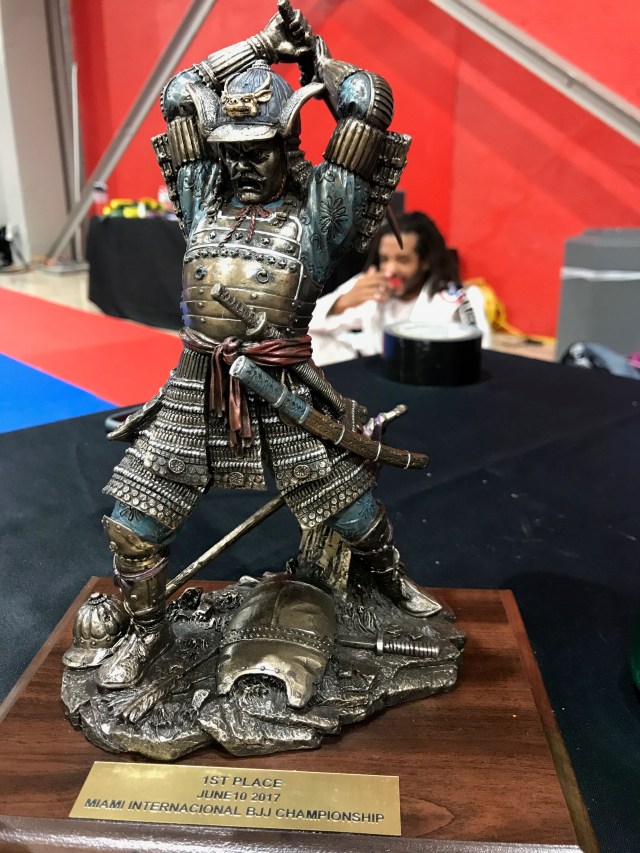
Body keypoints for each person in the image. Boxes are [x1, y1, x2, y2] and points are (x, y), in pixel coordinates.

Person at [96, 2, 441, 691]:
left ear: (288, 143)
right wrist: (261, 43)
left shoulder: (320, 214)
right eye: (232, 150)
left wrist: (316, 63)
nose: (242, 163)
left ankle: (390, 579)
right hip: (196, 385)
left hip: (282, 388)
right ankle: (146, 632)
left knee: (352, 508)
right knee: (133, 525)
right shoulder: (202, 197)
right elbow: (179, 93)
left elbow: (368, 102)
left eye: (258, 149)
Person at [310, 212, 492, 364]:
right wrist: (342, 303)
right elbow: (304, 324)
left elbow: (481, 354)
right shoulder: (370, 284)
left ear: (426, 261)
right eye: (385, 259)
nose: (390, 271)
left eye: (402, 260)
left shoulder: (456, 298)